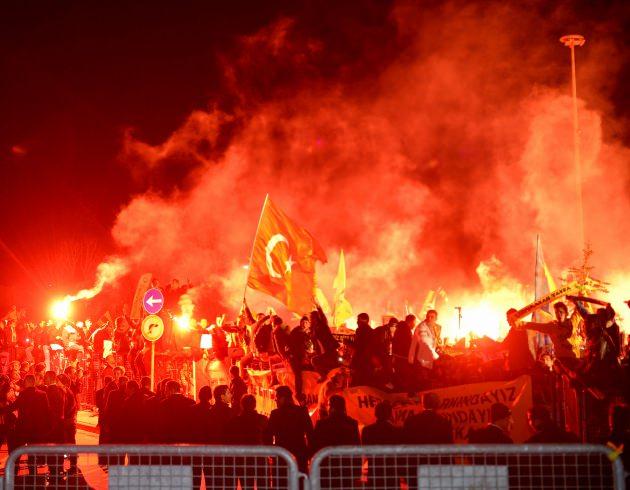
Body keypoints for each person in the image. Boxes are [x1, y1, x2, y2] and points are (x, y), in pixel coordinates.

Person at [0, 374, 50, 477]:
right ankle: (33, 475)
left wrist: (2, 410)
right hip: (36, 430)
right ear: (34, 382)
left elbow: (13, 407)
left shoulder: (23, 394)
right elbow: (47, 412)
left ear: (27, 382)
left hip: (23, 428)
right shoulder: (42, 394)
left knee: (17, 452)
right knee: (32, 455)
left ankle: (14, 474)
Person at [312, 395, 361, 489]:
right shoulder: (352, 424)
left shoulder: (321, 424)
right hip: (346, 469)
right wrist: (357, 470)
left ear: (331, 407)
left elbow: (314, 447)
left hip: (326, 469)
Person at [225, 394, 270, 490]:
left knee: (247, 486)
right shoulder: (262, 419)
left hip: (242, 460)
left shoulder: (234, 421)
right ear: (254, 405)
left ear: (242, 405)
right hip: (260, 458)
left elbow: (229, 440)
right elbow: (268, 439)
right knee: (263, 485)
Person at [265, 386, 313, 473]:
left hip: (281, 455)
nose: (276, 400)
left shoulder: (275, 414)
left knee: (282, 479)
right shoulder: (302, 411)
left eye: (277, 398)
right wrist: (308, 452)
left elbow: (267, 435)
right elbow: (310, 433)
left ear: (282, 398)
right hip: (299, 454)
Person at [515, 302, 577, 369]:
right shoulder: (553, 326)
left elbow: (580, 311)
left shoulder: (572, 323)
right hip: (562, 361)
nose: (558, 314)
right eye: (556, 312)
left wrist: (576, 300)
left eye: (561, 312)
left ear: (566, 313)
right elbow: (537, 326)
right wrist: (520, 324)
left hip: (574, 358)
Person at [362, 401, 403, 490]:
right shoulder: (397, 431)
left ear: (375, 413)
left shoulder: (367, 430)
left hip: (375, 473)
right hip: (391, 474)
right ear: (390, 414)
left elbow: (366, 452)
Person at [188, 386, 213, 490]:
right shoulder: (212, 410)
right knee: (210, 476)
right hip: (209, 447)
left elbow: (188, 428)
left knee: (195, 476)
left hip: (195, 446)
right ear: (210, 396)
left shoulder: (192, 409)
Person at [288, 317, 311, 401]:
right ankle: (298, 394)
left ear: (309, 324)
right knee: (298, 375)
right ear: (300, 323)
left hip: (301, 357)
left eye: (306, 323)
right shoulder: (296, 332)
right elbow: (294, 345)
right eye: (303, 322)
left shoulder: (305, 333)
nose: (304, 324)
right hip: (295, 357)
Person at [351, 313, 374, 386]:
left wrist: (349, 343)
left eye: (358, 320)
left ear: (362, 321)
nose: (357, 322)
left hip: (361, 361)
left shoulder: (360, 330)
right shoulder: (371, 331)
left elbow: (358, 346)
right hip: (367, 361)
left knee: (357, 382)